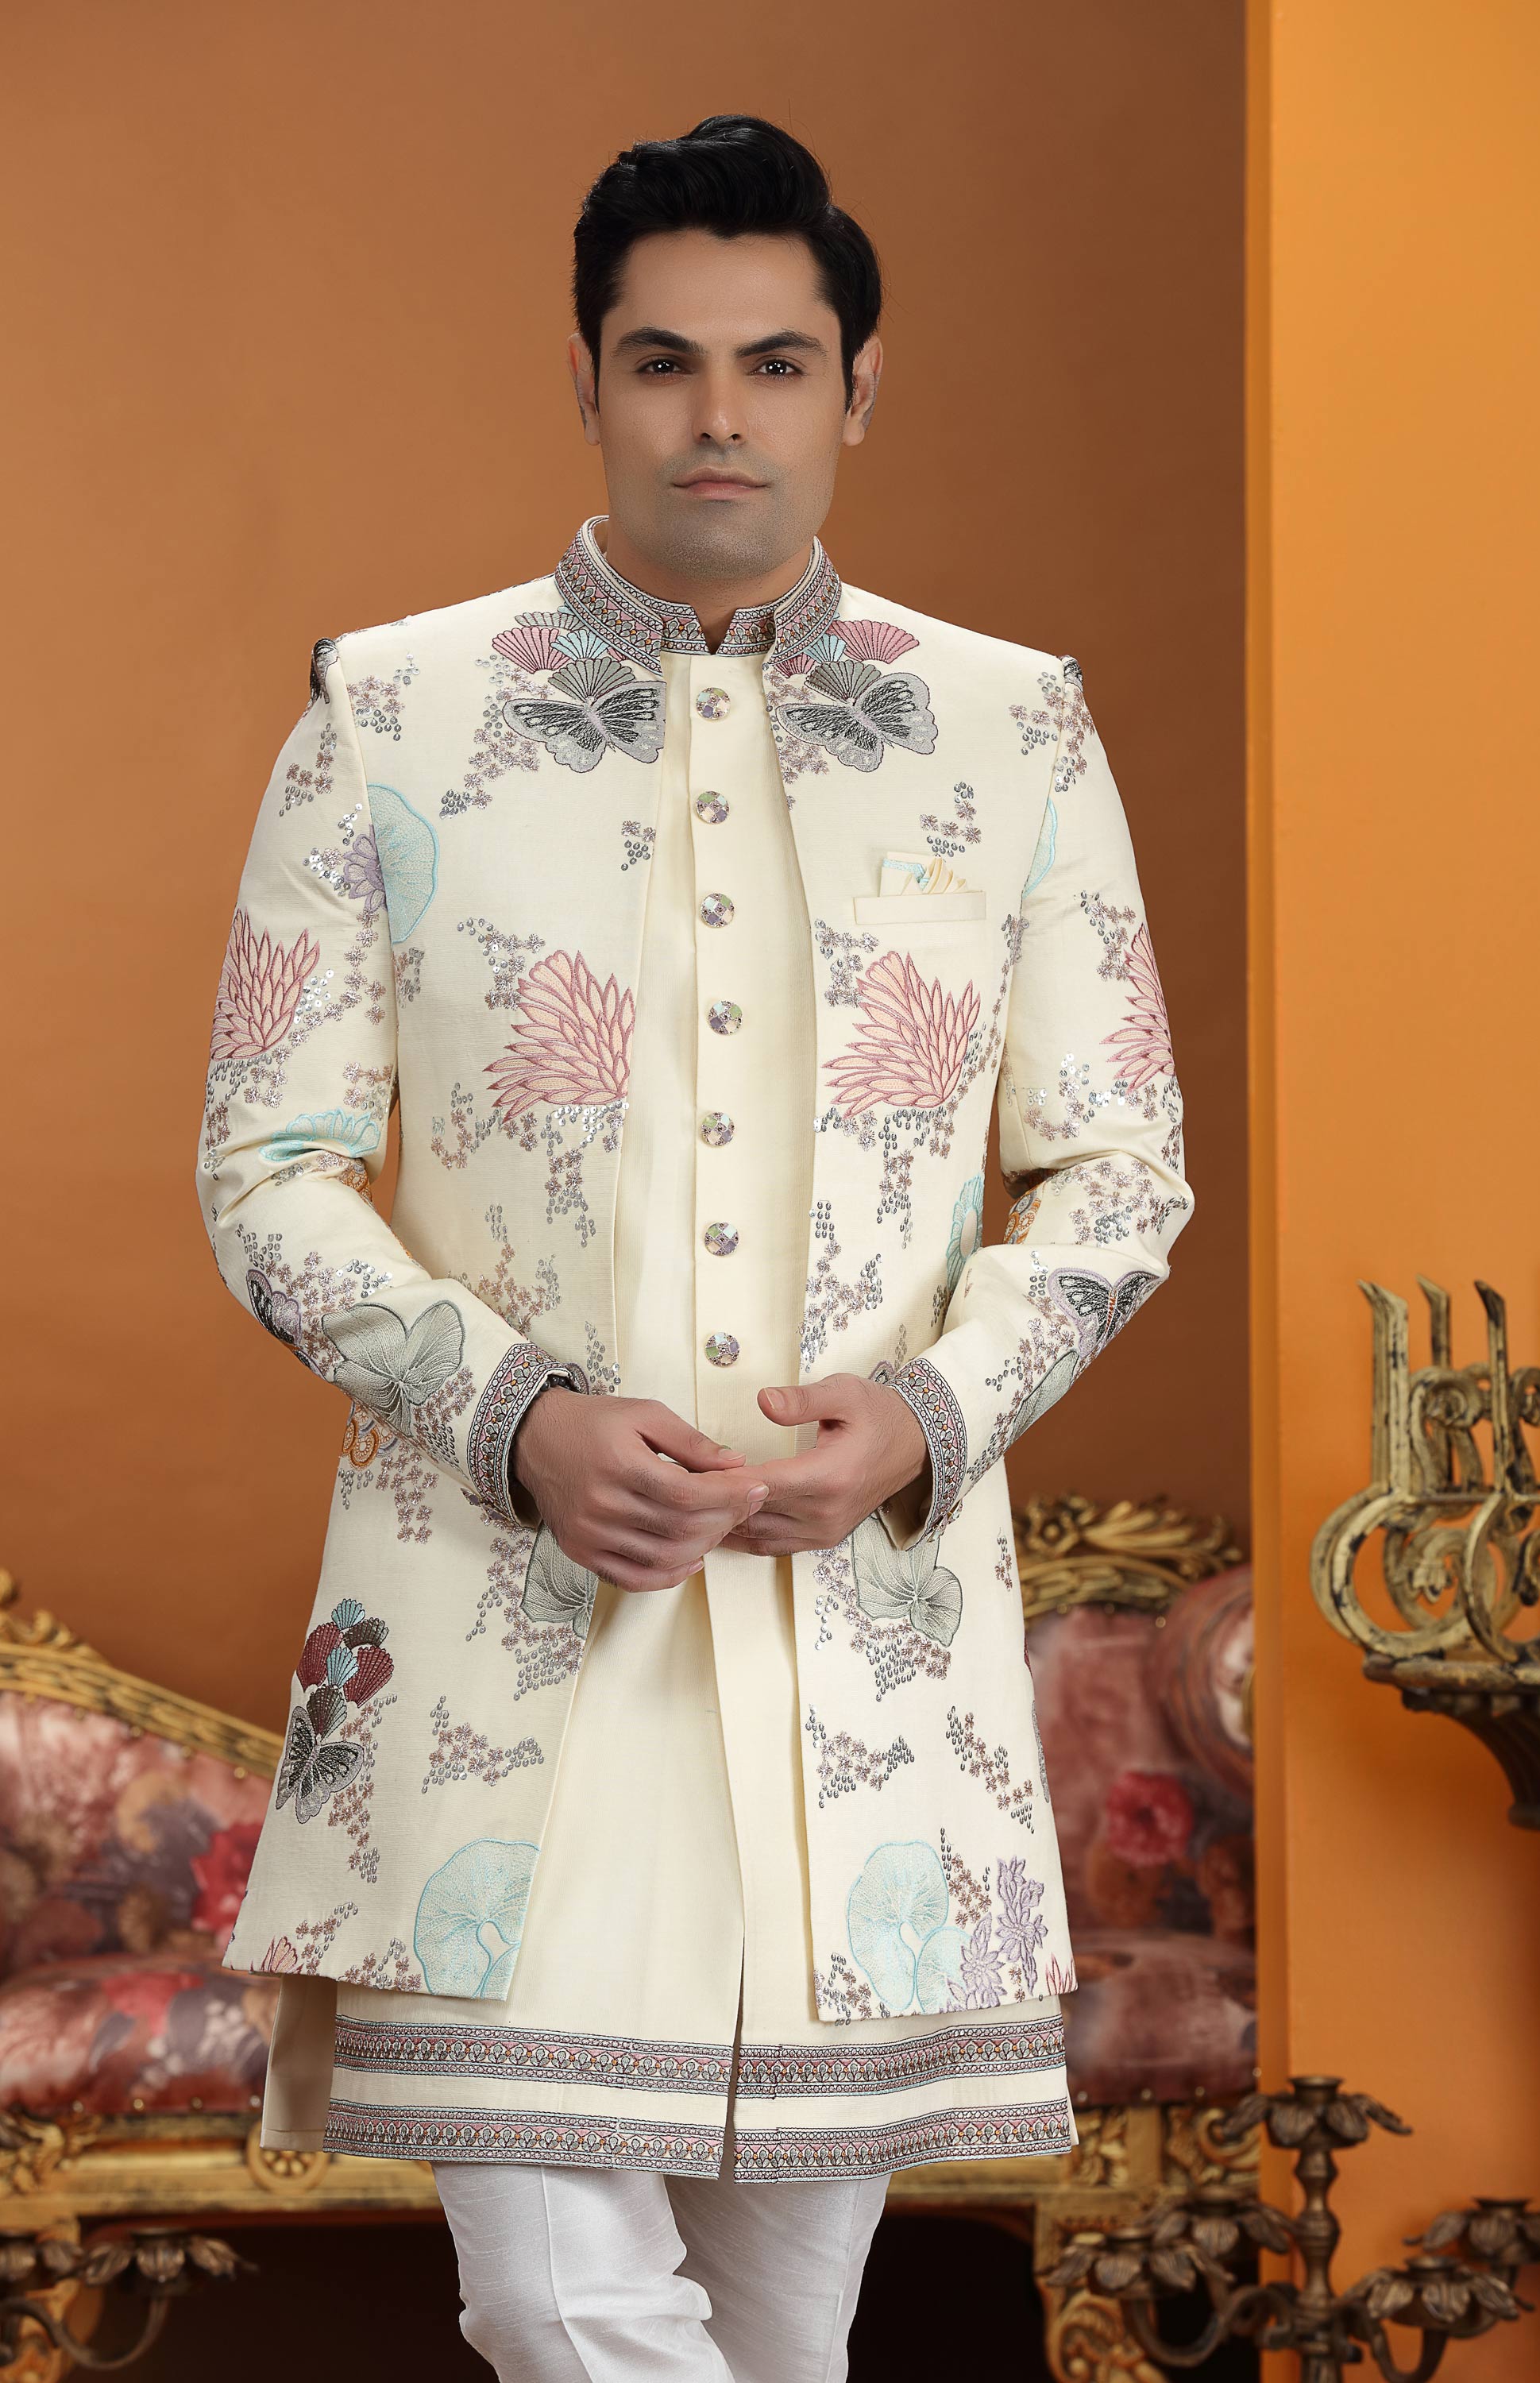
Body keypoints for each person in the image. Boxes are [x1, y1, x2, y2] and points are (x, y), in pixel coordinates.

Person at [196, 111, 1194, 2383]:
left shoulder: (1012, 728)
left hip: (866, 1685)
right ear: (587, 382)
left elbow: (1121, 1169)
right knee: (557, 2299)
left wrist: (926, 1417)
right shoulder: (390, 716)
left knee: (786, 2332)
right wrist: (519, 1418)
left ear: (860, 388)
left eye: (774, 362)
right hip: (502, 1655)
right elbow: (267, 1165)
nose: (718, 416)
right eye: (663, 363)